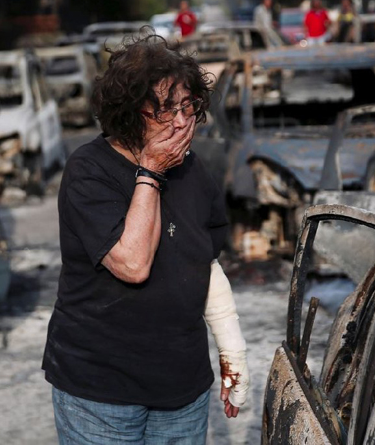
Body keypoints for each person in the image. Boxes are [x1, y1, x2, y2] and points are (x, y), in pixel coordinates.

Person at [43, 33, 250, 444]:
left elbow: (204, 265)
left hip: (181, 389)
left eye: (187, 106)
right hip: (100, 391)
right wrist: (151, 170)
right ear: (128, 112)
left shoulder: (193, 171)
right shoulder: (89, 171)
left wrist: (233, 351)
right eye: (164, 109)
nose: (179, 121)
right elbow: (133, 264)